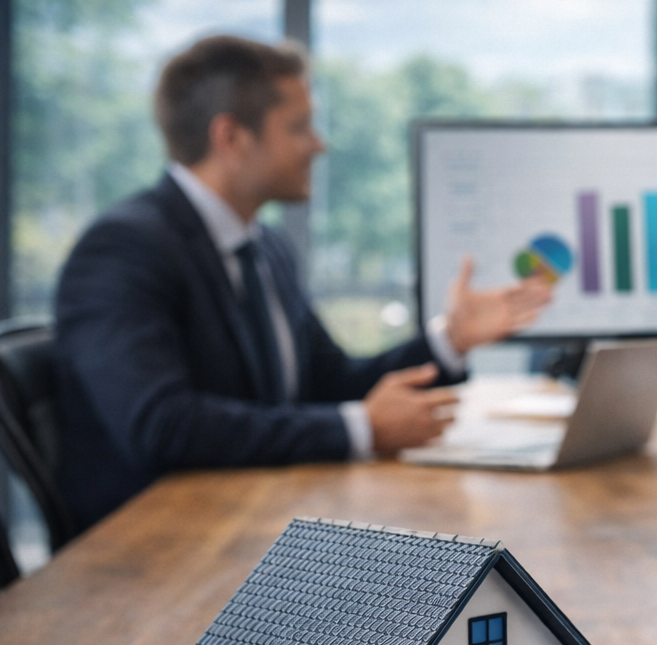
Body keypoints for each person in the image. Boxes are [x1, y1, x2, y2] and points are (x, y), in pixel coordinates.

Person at [53, 35, 551, 529]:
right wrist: (357, 428)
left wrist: (450, 340)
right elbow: (163, 425)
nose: (318, 144)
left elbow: (329, 383)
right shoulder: (122, 250)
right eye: (299, 126)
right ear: (231, 138)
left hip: (254, 521)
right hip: (156, 547)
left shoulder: (265, 248)